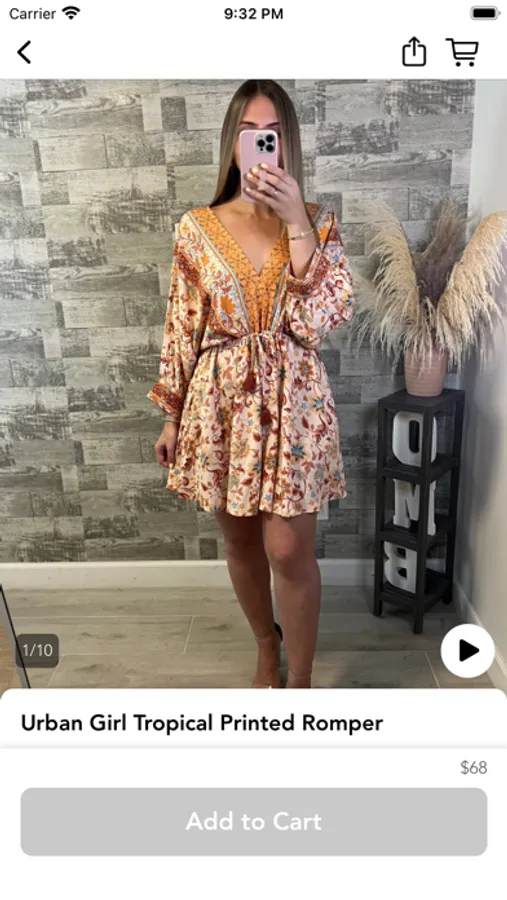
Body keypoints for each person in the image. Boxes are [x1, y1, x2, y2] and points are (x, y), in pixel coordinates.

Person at [148, 79, 355, 689]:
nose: (260, 145)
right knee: (240, 544)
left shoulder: (318, 222)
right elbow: (182, 325)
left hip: (295, 404)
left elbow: (320, 322)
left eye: (271, 134)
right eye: (248, 133)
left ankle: (301, 678)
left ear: (287, 143)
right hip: (221, 405)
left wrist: (296, 222)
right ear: (232, 143)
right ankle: (267, 644)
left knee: (288, 550)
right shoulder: (197, 228)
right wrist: (171, 416)